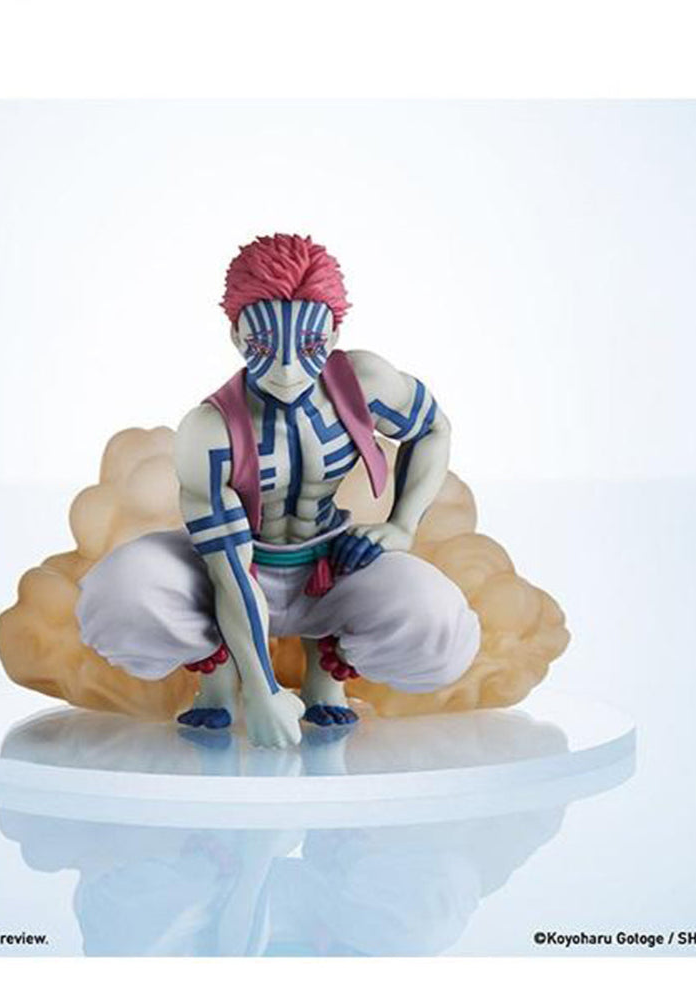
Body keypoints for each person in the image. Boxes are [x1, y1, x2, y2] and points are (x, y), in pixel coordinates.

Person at [76, 234, 479, 747]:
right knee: (119, 595)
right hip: (228, 567)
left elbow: (432, 429)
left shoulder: (365, 383)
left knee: (441, 628)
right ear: (235, 334)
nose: (287, 371)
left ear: (334, 333)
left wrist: (402, 525)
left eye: (309, 348)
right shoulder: (210, 430)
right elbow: (229, 569)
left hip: (333, 563)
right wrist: (261, 691)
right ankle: (216, 672)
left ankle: (329, 666)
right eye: (263, 348)